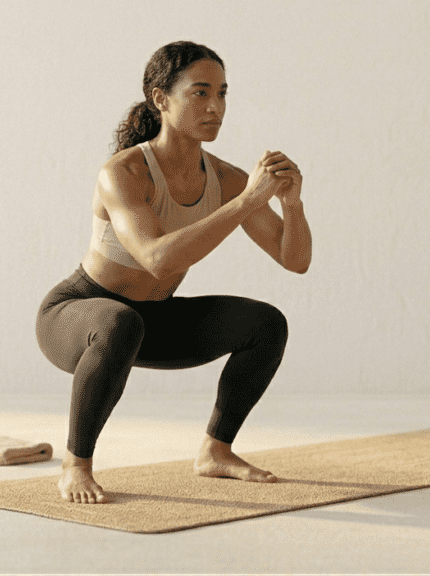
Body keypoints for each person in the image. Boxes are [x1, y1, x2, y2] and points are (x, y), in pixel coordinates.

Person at [35, 41, 312, 504]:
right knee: (120, 322)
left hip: (150, 321)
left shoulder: (225, 178)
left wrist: (292, 203)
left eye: (222, 93)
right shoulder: (124, 172)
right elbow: (157, 258)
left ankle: (216, 452)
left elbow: (295, 260)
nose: (216, 107)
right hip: (78, 315)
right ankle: (75, 465)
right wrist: (247, 202)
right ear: (160, 99)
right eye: (200, 93)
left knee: (267, 323)